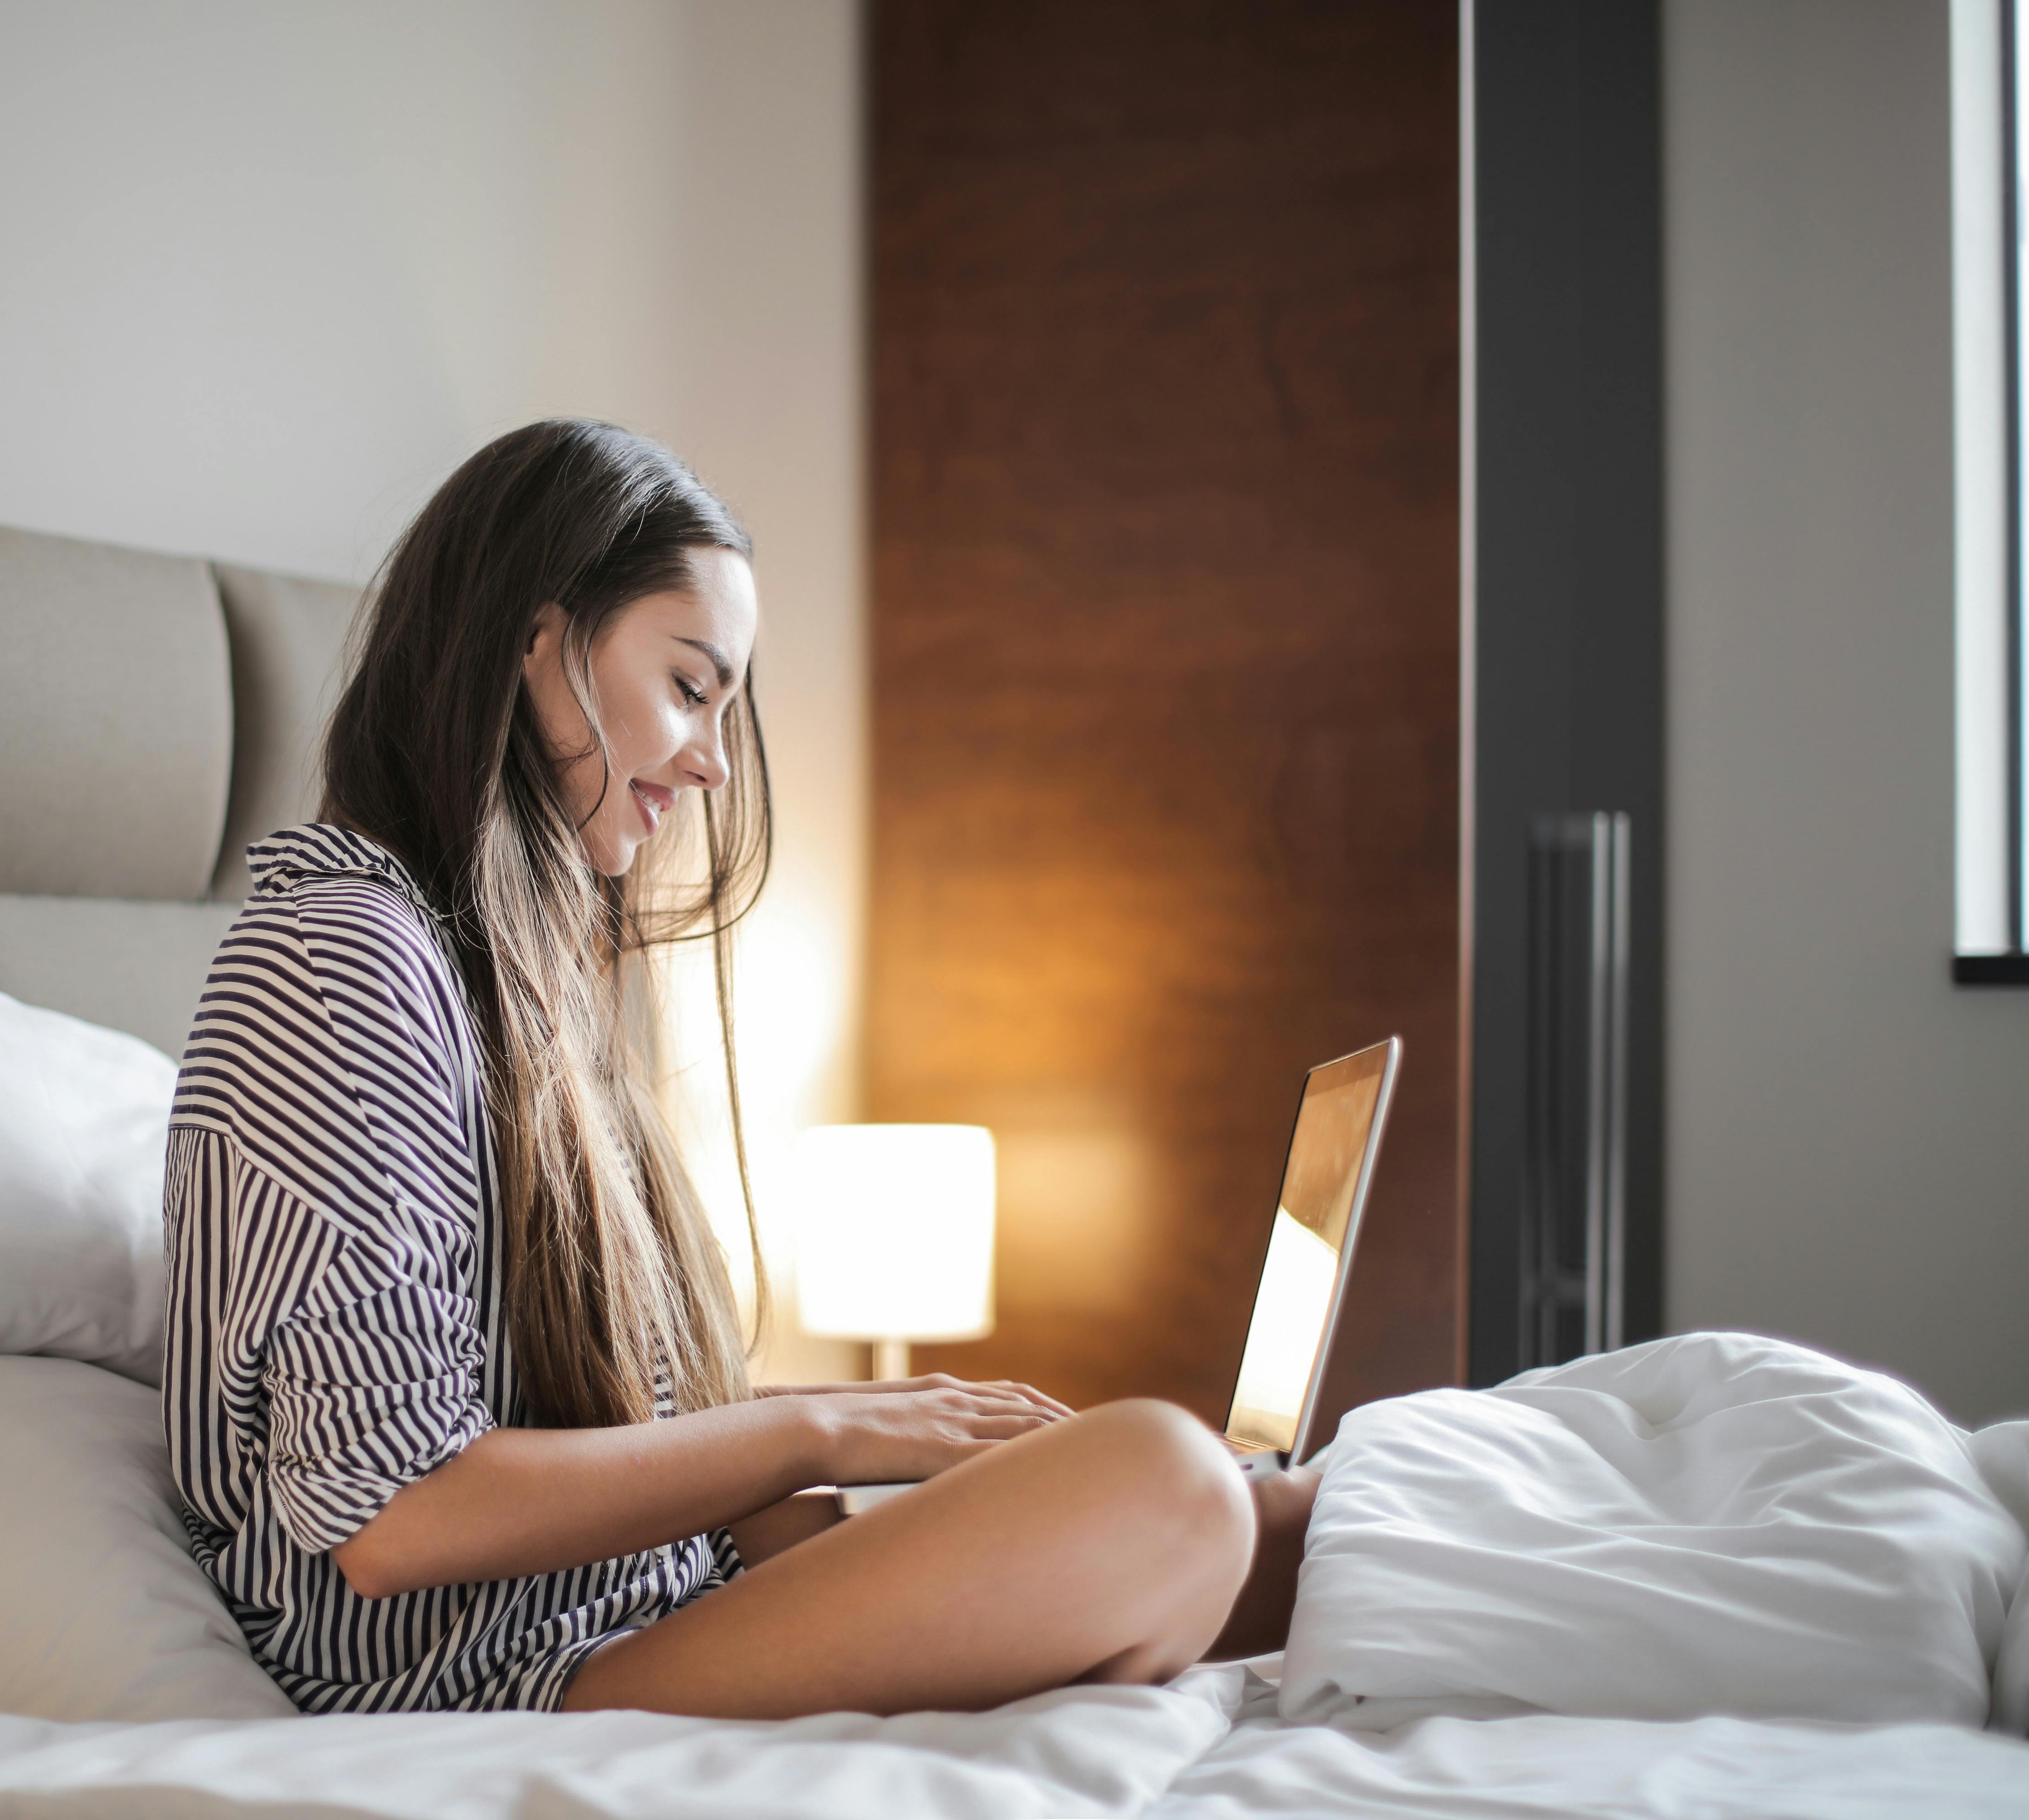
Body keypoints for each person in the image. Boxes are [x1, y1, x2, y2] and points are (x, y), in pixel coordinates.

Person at [163, 418, 1319, 1720]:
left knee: (1291, 1514)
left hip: (652, 1606)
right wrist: (828, 1430)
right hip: (492, 1680)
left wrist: (897, 1443)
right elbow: (393, 1517)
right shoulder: (339, 960)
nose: (713, 760)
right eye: (690, 686)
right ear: (536, 644)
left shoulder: (519, 970)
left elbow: (594, 1411)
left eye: (725, 705)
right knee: (1166, 1486)